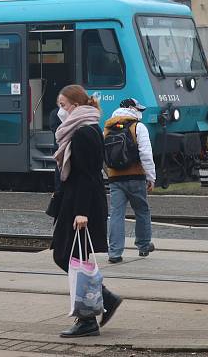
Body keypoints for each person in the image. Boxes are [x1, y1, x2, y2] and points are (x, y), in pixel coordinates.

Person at [51, 84, 122, 338]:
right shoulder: (82, 129)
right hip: (76, 204)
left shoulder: (83, 133)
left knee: (67, 257)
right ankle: (98, 305)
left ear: (76, 105)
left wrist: (82, 212)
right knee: (71, 258)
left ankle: (91, 315)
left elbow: (87, 176)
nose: (60, 111)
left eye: (63, 106)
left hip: (81, 207)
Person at [104, 98, 156, 262]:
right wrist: (151, 177)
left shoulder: (107, 128)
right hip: (135, 176)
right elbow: (146, 155)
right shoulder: (138, 127)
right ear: (132, 109)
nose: (140, 113)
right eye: (138, 109)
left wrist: (108, 174)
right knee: (142, 211)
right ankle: (143, 245)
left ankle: (114, 253)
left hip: (115, 178)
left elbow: (102, 155)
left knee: (116, 214)